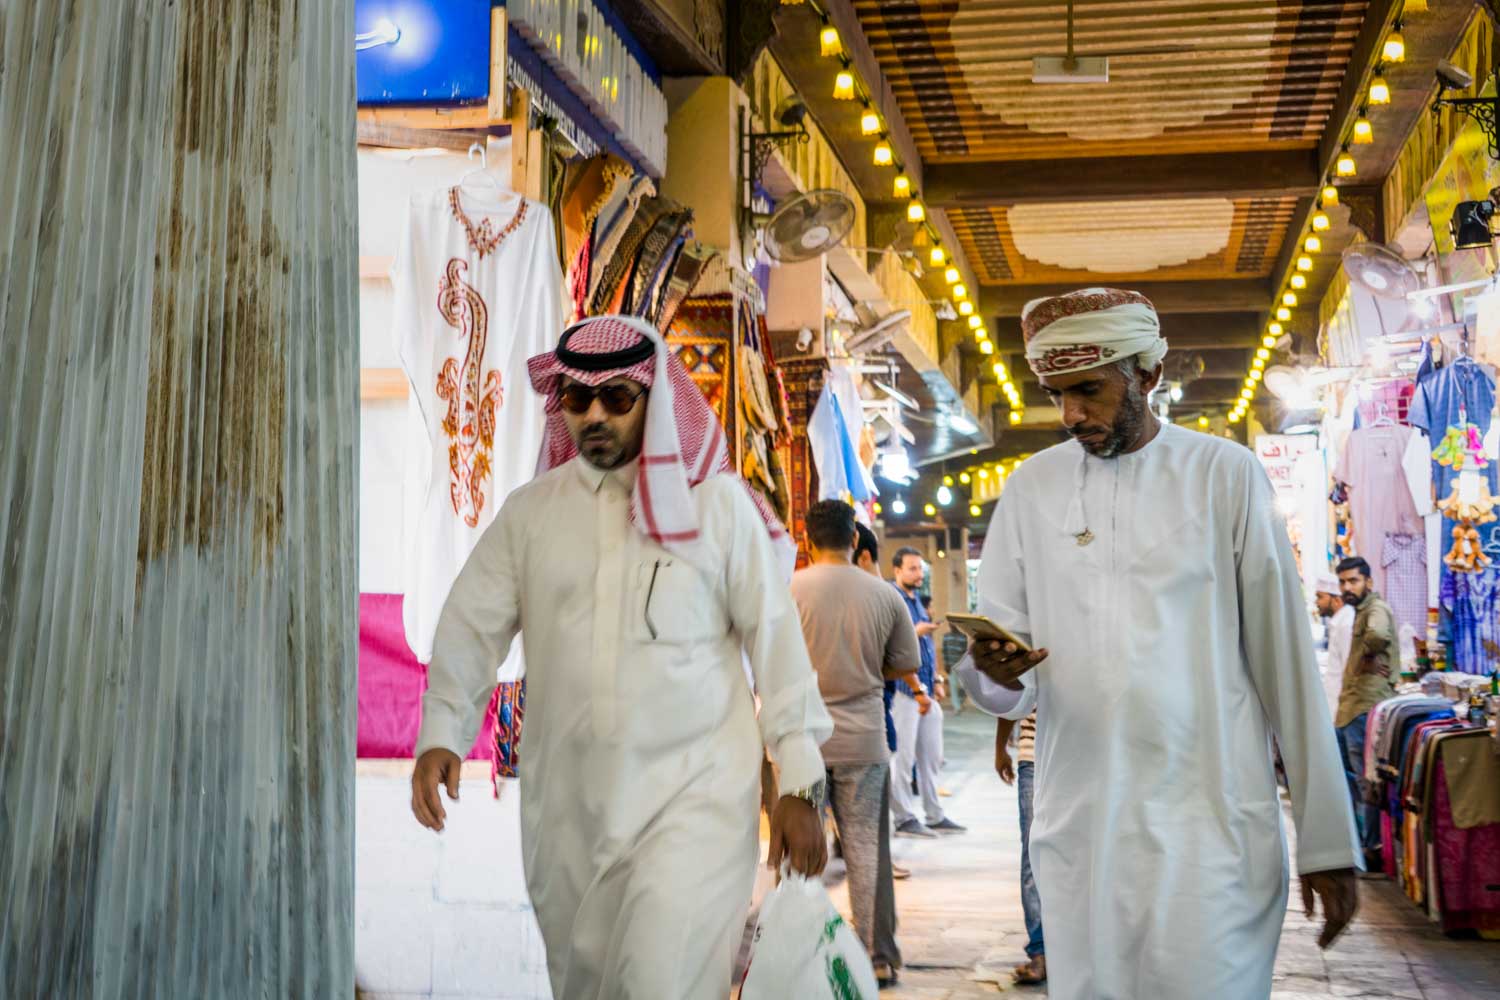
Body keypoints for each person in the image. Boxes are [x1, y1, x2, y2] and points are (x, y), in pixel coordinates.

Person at [409, 315, 834, 999]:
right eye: (576, 400)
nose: (594, 416)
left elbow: (776, 643)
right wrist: (442, 733)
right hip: (568, 814)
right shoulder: (532, 515)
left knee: (658, 981)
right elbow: (469, 625)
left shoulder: (719, 509)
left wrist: (799, 782)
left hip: (693, 806)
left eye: (616, 398)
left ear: (655, 398)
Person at [956, 287, 1360, 1000]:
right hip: (1084, 830)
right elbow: (997, 673)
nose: (1072, 414)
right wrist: (994, 671)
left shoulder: (1224, 475)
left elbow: (1287, 664)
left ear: (1148, 374)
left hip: (1211, 830)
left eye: (1089, 390)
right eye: (1058, 394)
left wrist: (1327, 841)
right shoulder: (1031, 489)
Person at [792, 501, 919, 985]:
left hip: (801, 740)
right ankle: (875, 957)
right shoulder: (885, 596)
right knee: (867, 853)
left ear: (807, 540)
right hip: (863, 738)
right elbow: (904, 662)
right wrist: (865, 674)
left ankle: (803, 954)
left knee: (801, 854)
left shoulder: (788, 590)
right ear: (854, 541)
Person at [890, 548, 966, 837]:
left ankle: (934, 813)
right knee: (903, 758)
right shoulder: (893, 599)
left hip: (926, 690)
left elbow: (923, 647)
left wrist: (935, 679)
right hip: (905, 691)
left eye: (920, 569)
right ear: (897, 570)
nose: (918, 574)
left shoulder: (916, 602)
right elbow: (895, 646)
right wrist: (916, 631)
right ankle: (903, 817)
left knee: (931, 756)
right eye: (911, 568)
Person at [1332, 556, 1398, 874]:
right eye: (1343, 582)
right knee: (1356, 780)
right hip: (1351, 707)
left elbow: (1378, 636)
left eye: (1353, 581)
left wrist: (1371, 656)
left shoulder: (1375, 610)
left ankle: (1371, 848)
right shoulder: (1358, 612)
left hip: (1364, 709)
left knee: (1364, 781)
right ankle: (1361, 843)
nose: (1347, 587)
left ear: (1368, 582)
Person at [853, 522, 911, 883]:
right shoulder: (885, 596)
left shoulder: (799, 588)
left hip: (819, 732)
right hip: (871, 721)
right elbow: (906, 661)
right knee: (870, 808)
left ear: (859, 553)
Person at [994, 712, 1045, 986]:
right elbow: (1011, 686)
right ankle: (1040, 950)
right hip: (1033, 753)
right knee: (1033, 854)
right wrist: (1000, 746)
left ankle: (1070, 948)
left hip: (1082, 752)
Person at [1315, 572, 1355, 717]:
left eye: (1320, 597)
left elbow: (1348, 670)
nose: (1317, 602)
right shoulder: (1339, 622)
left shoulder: (1346, 625)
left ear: (1337, 600)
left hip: (1343, 710)